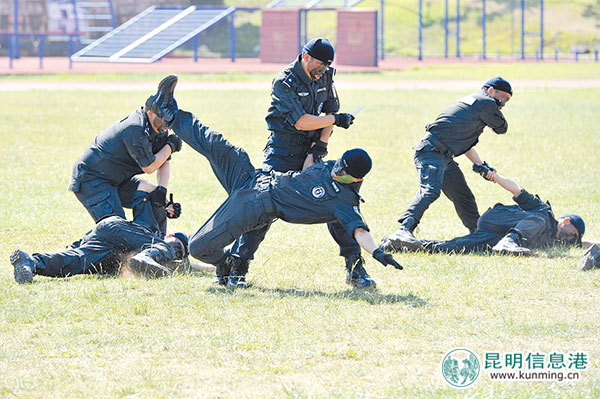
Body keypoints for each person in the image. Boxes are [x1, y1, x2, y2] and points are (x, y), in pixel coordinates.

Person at [131, 108, 403, 289]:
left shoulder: (345, 200)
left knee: (199, 247)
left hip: (259, 204)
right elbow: (308, 173)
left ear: (356, 180)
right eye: (338, 164)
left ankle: (226, 263)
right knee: (218, 145)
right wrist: (320, 145)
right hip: (255, 176)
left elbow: (358, 230)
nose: (337, 170)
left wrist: (376, 251)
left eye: (343, 171)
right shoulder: (330, 167)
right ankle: (170, 111)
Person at [228, 37, 374, 289]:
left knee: (338, 200)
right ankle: (236, 269)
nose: (323, 71)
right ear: (306, 57)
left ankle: (355, 269)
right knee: (261, 207)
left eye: (327, 67)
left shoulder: (325, 75)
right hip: (282, 152)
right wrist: (336, 119)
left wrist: (319, 150)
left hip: (312, 148)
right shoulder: (284, 81)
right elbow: (301, 122)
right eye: (320, 65)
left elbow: (328, 114)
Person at [382, 77, 513, 248]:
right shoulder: (485, 102)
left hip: (442, 154)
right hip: (431, 152)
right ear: (489, 90)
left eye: (506, 100)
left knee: (463, 195)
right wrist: (496, 107)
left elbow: (464, 143)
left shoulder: (473, 104)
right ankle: (403, 230)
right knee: (430, 190)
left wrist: (481, 165)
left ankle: (478, 235)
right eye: (503, 97)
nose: (503, 103)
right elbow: (502, 128)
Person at [68, 75, 182, 235]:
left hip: (117, 179)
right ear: (150, 112)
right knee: (117, 233)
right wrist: (171, 146)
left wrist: (164, 198)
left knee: (153, 199)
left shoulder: (158, 128)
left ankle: (158, 248)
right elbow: (149, 166)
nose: (165, 127)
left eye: (168, 123)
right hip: (93, 179)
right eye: (162, 121)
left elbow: (163, 161)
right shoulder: (135, 128)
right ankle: (73, 253)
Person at [381, 169, 588, 256]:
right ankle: (511, 240)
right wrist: (492, 175)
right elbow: (516, 190)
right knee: (541, 217)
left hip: (496, 237)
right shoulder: (545, 213)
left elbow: (589, 245)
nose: (571, 239)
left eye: (574, 239)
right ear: (567, 220)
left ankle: (398, 245)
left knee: (459, 247)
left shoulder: (556, 238)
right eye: (573, 233)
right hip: (497, 219)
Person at [10, 187, 188, 284]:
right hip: (114, 228)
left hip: (105, 246)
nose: (176, 250)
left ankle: (30, 262)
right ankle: (144, 258)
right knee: (158, 246)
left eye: (179, 252)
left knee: (76, 262)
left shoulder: (160, 259)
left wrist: (214, 267)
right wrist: (163, 202)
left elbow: (188, 267)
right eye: (177, 244)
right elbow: (140, 193)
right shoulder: (154, 232)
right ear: (169, 235)